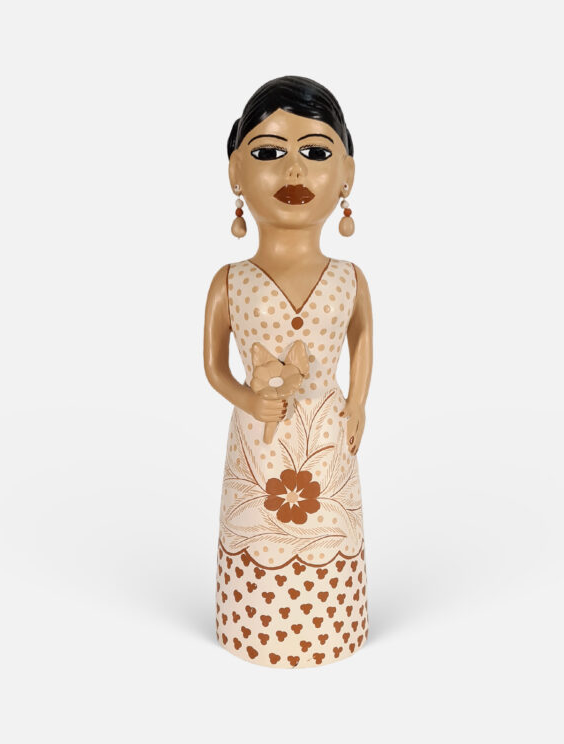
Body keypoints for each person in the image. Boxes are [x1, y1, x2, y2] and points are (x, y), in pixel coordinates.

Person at [203, 75, 373, 668]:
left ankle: (334, 623)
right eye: (269, 152)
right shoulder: (229, 282)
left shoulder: (350, 278)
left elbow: (361, 337)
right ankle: (250, 624)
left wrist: (357, 401)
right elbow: (213, 368)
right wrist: (248, 400)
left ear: (347, 174)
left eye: (317, 152)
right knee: (259, 526)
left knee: (329, 524)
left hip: (328, 434)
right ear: (235, 172)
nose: (294, 169)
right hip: (259, 441)